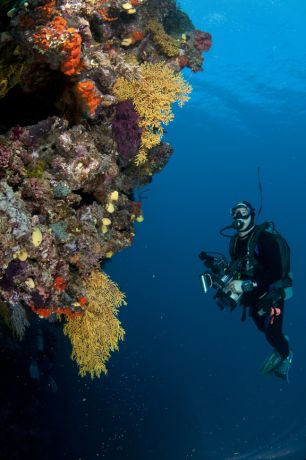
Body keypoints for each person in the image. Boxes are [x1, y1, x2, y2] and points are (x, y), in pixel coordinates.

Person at [227, 201, 293, 382]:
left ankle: (286, 355)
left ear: (251, 215)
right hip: (253, 296)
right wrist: (231, 283)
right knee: (261, 327)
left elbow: (276, 271)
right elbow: (238, 267)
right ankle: (279, 339)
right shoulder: (234, 242)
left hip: (272, 293)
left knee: (272, 332)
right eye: (235, 212)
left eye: (243, 212)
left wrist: (247, 285)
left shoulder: (264, 238)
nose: (238, 216)